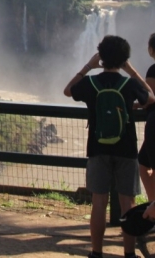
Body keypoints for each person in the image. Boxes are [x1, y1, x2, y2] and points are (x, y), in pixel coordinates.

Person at [64, 35, 155, 258]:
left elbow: (67, 90)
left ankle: (96, 252)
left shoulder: (91, 83)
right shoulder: (129, 84)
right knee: (128, 203)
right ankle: (128, 253)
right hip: (126, 149)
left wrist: (88, 66)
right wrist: (132, 71)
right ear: (124, 59)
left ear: (101, 57)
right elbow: (151, 97)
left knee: (99, 203)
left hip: (97, 148)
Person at [138, 33, 155, 200]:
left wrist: (133, 104)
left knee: (144, 165)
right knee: (144, 162)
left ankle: (153, 205)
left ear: (151, 50)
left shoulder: (153, 70)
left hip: (154, 122)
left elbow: (149, 99)